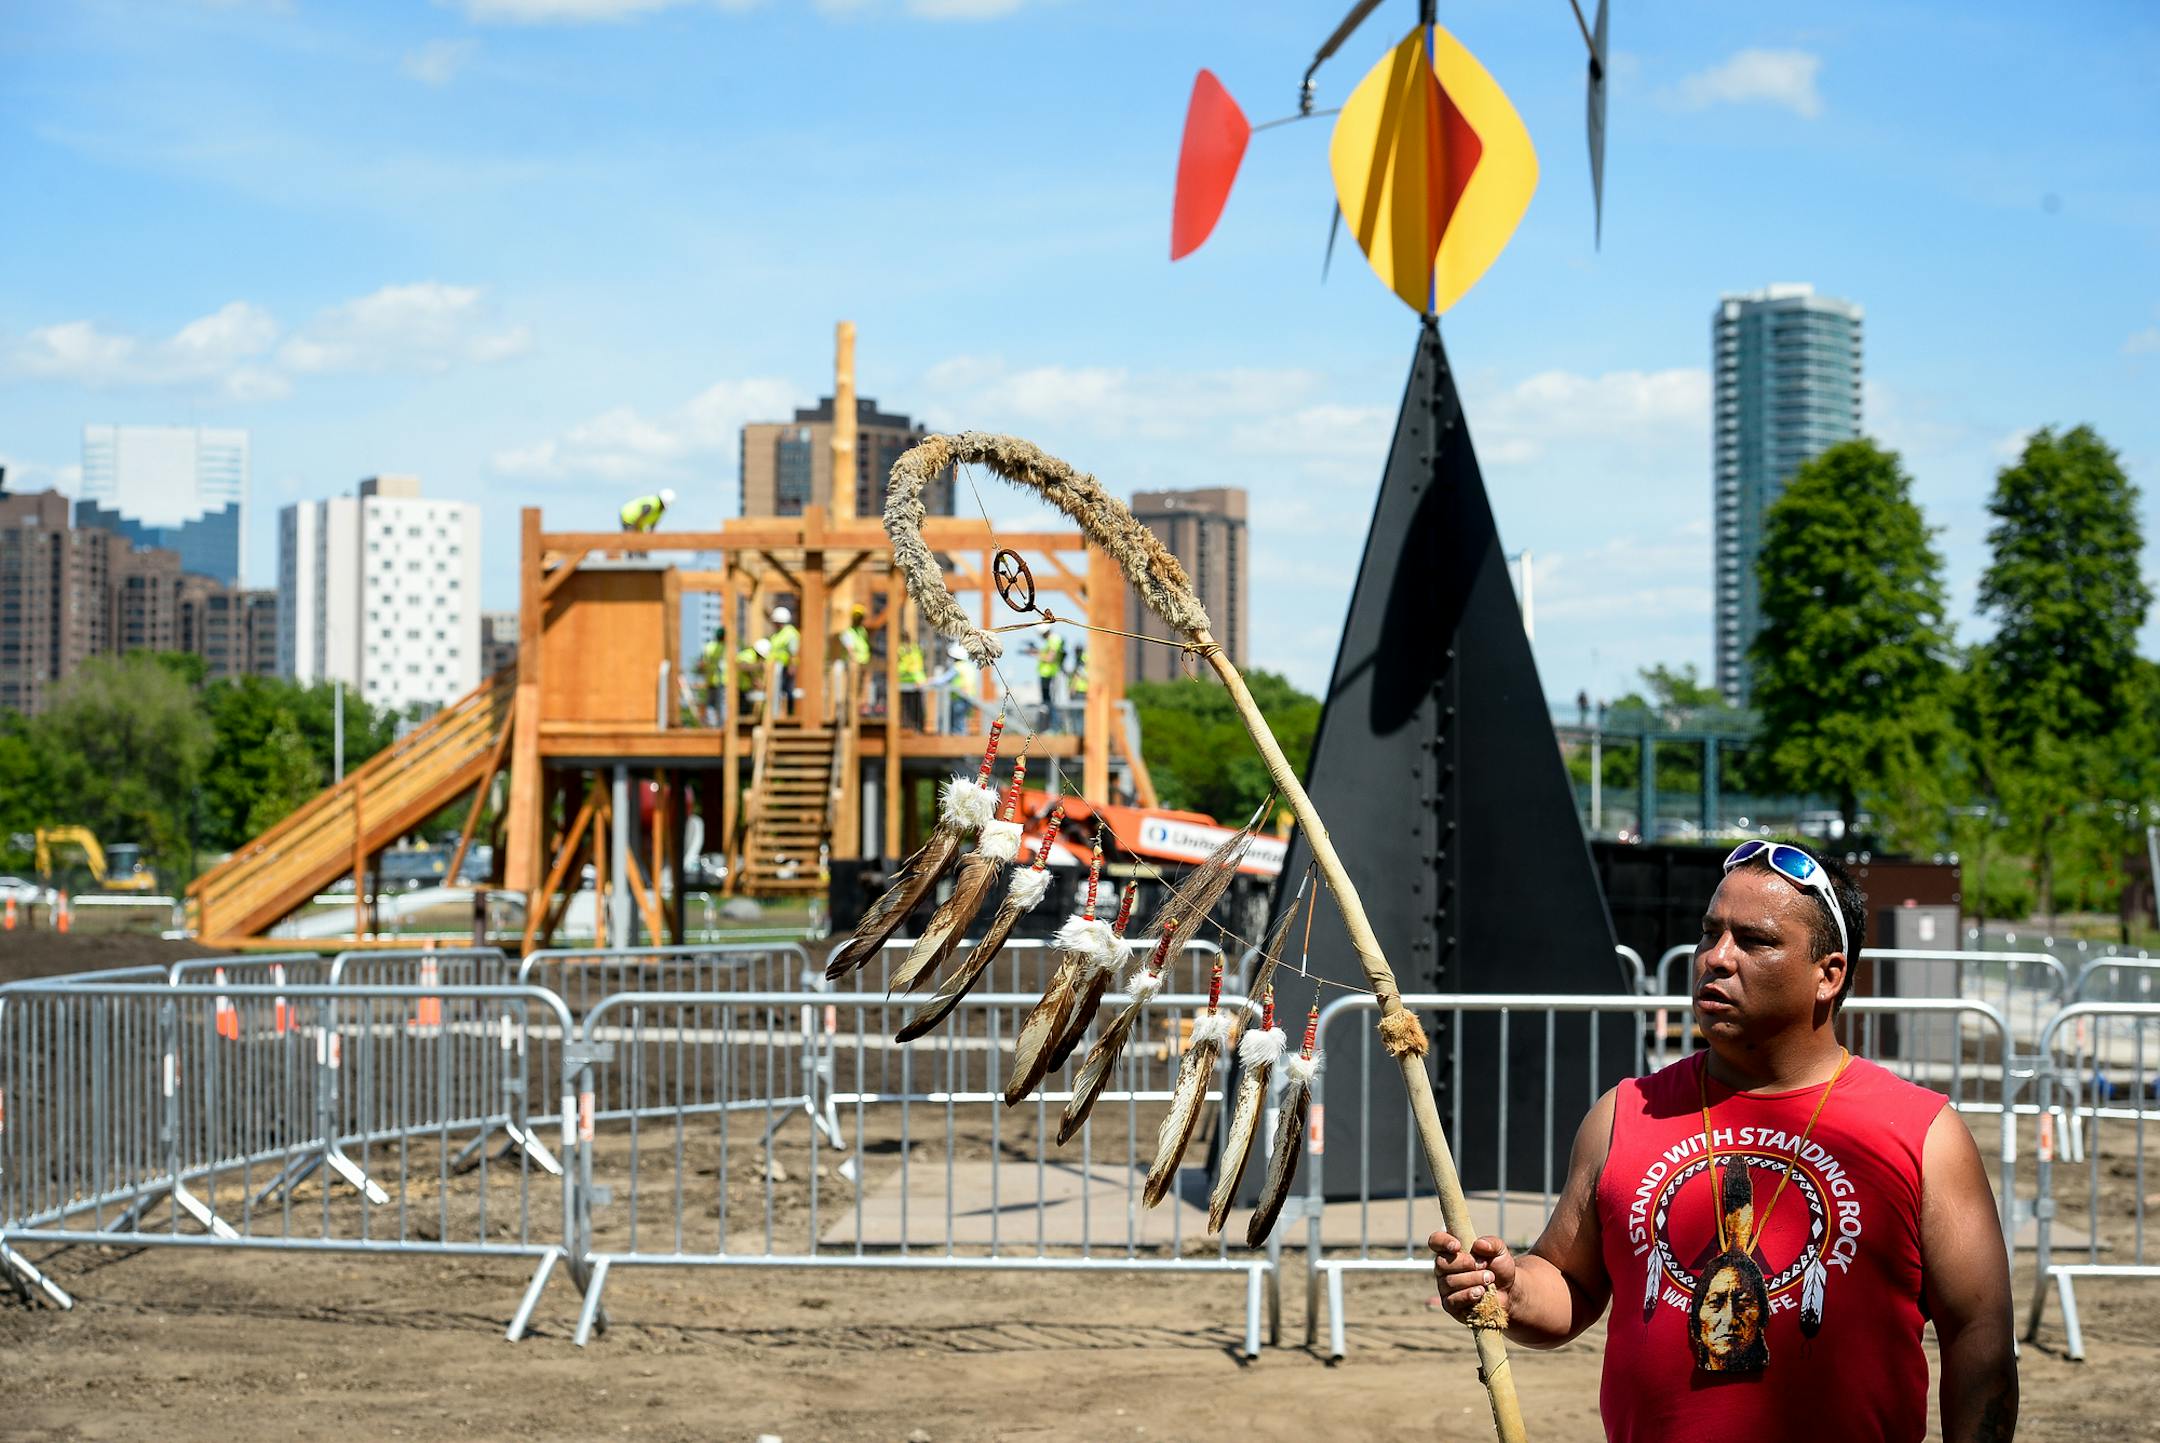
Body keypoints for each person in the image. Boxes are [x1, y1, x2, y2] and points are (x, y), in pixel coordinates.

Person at [1431, 839, 2016, 1443]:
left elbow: (1979, 1333)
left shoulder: (1924, 1134)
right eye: (1710, 933)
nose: (1716, 957)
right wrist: (1510, 1289)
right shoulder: (1624, 1114)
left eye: (1755, 941)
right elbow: (1570, 1285)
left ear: (1829, 974)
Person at [766, 606, 799, 714]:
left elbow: (793, 652)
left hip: (785, 667)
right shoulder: (777, 634)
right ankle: (775, 714)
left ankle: (790, 714)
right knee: (776, 691)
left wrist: (791, 666)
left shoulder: (790, 633)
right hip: (776, 668)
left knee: (788, 691)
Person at [697, 625, 727, 723]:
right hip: (725, 680)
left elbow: (702, 664)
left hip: (711, 680)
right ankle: (722, 724)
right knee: (723, 704)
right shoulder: (729, 647)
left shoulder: (709, 647)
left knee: (711, 704)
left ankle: (712, 725)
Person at [896, 635, 926, 731]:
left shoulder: (901, 649)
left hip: (905, 681)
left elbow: (903, 666)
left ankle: (909, 726)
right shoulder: (916, 648)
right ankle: (918, 726)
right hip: (917, 681)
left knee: (907, 706)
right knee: (917, 706)